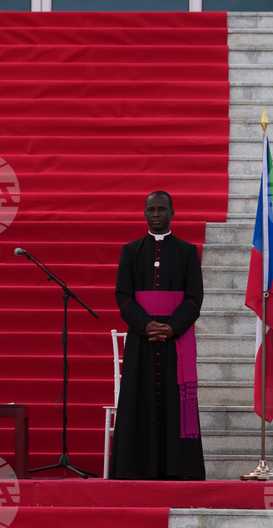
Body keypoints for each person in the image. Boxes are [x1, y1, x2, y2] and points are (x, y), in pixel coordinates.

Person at [109, 190, 206, 480]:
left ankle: (180, 470)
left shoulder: (188, 251)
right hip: (142, 339)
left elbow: (194, 297)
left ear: (172, 213)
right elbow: (123, 294)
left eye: (162, 209)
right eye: (151, 209)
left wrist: (172, 326)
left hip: (177, 340)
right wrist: (145, 325)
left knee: (176, 402)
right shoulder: (131, 250)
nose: (156, 215)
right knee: (139, 399)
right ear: (144, 214)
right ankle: (135, 468)